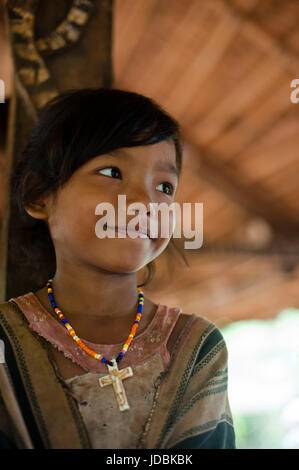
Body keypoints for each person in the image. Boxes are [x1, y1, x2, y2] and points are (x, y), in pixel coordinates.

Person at [0, 88, 236, 449]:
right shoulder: (5, 342)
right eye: (112, 172)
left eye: (164, 186)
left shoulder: (197, 349)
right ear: (38, 196)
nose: (144, 202)